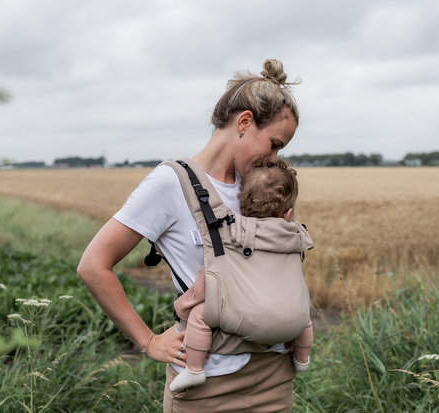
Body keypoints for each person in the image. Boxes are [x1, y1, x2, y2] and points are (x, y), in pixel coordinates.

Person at [77, 58, 301, 412]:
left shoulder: (260, 186)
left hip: (274, 376)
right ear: (244, 122)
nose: (274, 159)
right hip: (204, 385)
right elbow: (93, 265)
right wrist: (148, 341)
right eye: (273, 144)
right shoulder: (171, 183)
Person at [169, 158, 314, 393]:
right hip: (293, 325)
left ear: (241, 208)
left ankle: (194, 370)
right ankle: (302, 359)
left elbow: (211, 277)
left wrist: (183, 307)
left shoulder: (234, 233)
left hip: (245, 322)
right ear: (288, 214)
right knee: (304, 313)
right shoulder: (297, 235)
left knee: (199, 315)